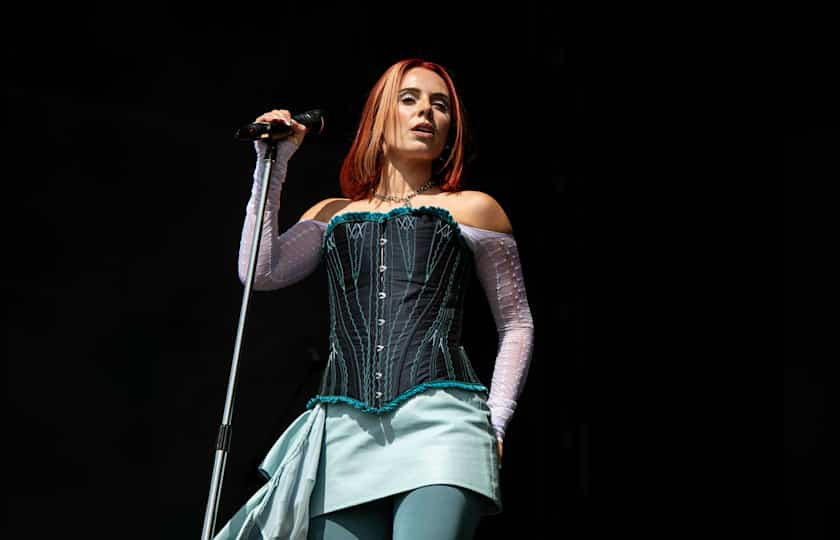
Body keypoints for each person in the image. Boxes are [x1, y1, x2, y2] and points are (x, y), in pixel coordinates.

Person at [214, 58, 535, 540]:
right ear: (379, 117)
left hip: (442, 425)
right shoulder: (333, 214)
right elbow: (259, 271)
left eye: (440, 105)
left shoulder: (475, 209)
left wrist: (499, 421)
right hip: (343, 433)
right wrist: (271, 167)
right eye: (409, 99)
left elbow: (516, 324)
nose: (426, 112)